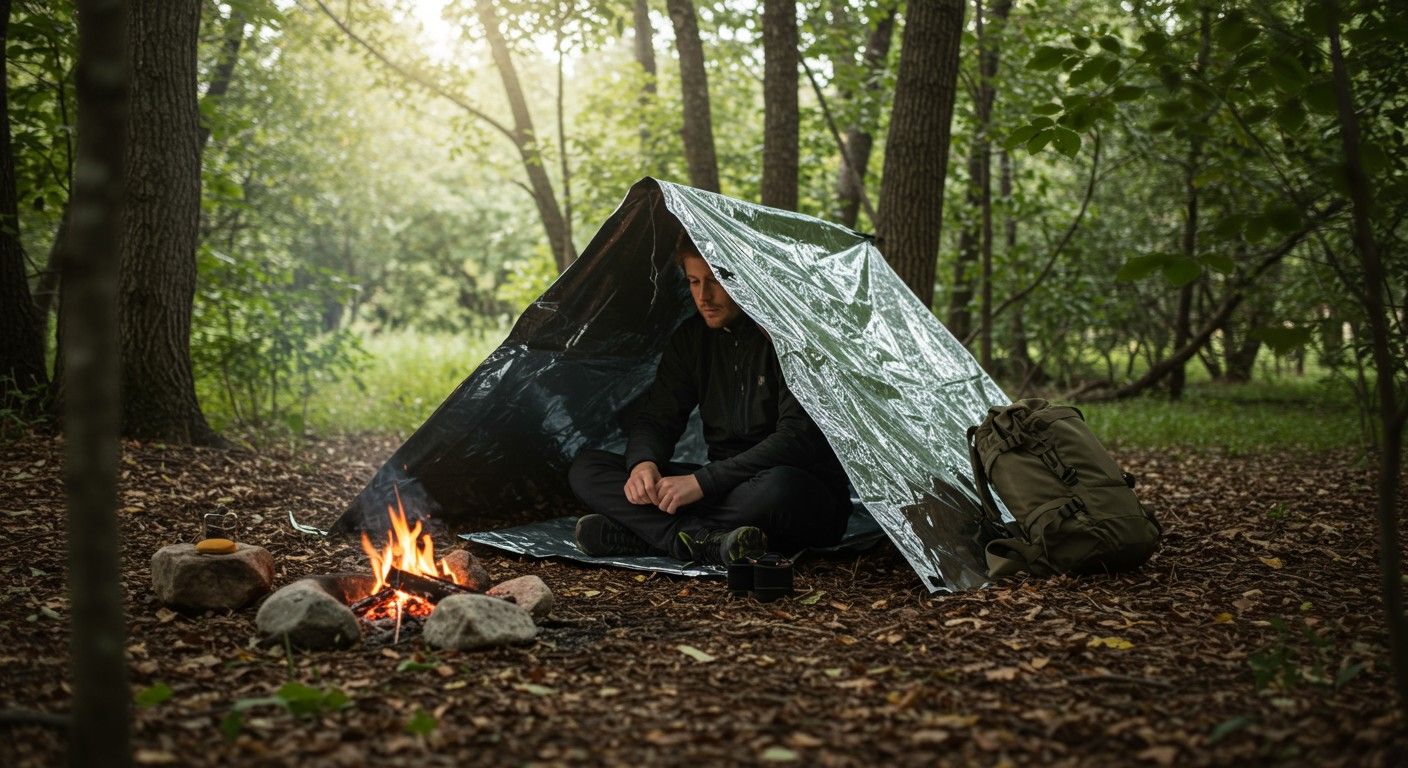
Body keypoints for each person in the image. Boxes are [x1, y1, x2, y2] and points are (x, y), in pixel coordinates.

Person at [567, 235, 852, 565]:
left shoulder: (788, 340)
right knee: (588, 469)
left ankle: (651, 535)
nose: (704, 296)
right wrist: (643, 463)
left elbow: (797, 439)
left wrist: (702, 482)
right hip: (722, 492)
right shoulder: (691, 339)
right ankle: (701, 540)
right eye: (693, 282)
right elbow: (659, 417)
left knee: (781, 487)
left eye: (716, 282)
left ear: (745, 281)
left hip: (790, 491)